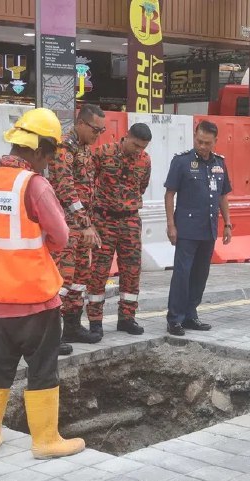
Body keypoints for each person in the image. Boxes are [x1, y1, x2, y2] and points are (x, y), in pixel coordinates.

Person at [0, 108, 85, 460]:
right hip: (36, 297)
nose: (48, 162)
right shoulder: (33, 184)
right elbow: (62, 235)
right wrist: (44, 244)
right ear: (36, 149)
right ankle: (45, 441)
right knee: (42, 369)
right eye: (49, 154)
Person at [164, 120, 233, 336]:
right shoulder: (181, 161)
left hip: (208, 228)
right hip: (186, 229)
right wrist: (170, 225)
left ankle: (190, 315)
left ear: (215, 142)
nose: (202, 146)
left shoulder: (219, 163)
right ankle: (175, 318)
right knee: (182, 274)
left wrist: (228, 223)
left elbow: (223, 196)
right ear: (195, 136)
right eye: (199, 141)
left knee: (200, 274)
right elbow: (169, 194)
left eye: (207, 143)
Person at [48, 104, 107, 346]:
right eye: (95, 129)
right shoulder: (63, 150)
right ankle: (51, 335)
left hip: (84, 228)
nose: (98, 135)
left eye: (102, 131)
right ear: (81, 124)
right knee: (62, 280)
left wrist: (90, 225)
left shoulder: (84, 150)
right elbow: (66, 189)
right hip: (67, 228)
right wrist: (85, 225)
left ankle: (72, 326)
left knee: (81, 278)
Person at [86, 124, 153, 337]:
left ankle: (127, 318)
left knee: (132, 271)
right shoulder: (102, 153)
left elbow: (141, 187)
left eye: (142, 147)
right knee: (99, 271)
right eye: (135, 145)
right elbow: (89, 183)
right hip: (104, 219)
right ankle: (95, 321)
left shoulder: (145, 160)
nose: (138, 150)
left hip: (130, 221)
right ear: (126, 137)